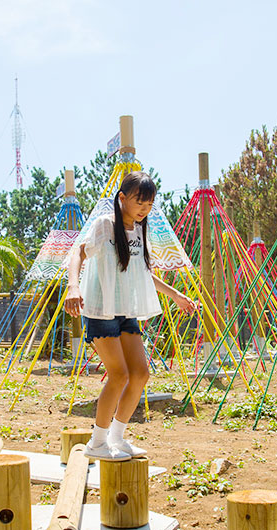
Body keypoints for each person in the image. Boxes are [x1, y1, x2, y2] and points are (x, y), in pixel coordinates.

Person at [65, 171, 197, 461]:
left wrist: (175, 294)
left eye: (149, 204)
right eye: (139, 202)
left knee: (140, 374)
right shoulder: (104, 225)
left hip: (126, 311)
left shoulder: (139, 232)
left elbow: (144, 272)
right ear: (122, 198)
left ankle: (116, 437)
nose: (144, 209)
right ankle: (96, 443)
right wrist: (73, 286)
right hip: (101, 312)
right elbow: (78, 254)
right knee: (119, 374)